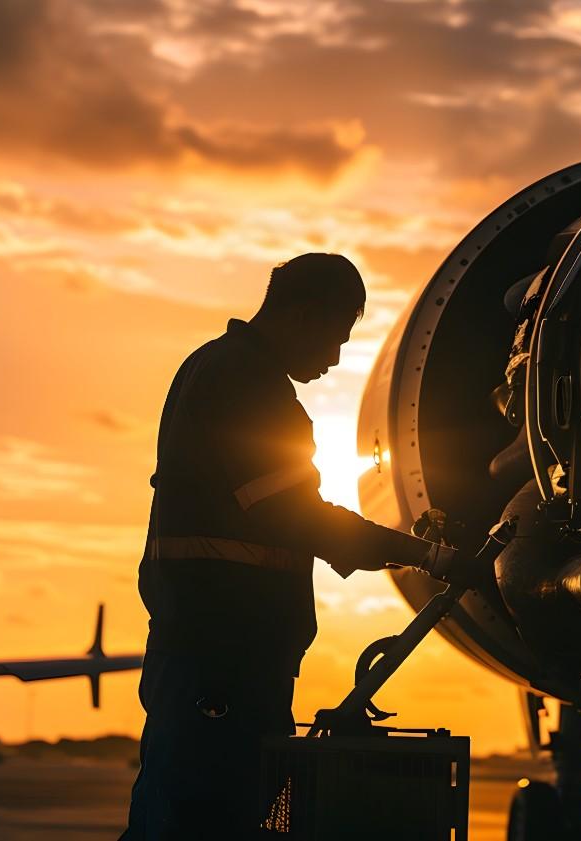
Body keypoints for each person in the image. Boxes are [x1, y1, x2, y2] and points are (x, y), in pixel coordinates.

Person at [121, 253, 456, 840]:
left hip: (211, 652)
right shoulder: (247, 384)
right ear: (303, 316)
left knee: (175, 812)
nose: (335, 359)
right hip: (224, 658)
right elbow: (297, 517)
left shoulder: (213, 366)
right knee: (206, 818)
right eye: (336, 338)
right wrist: (427, 556)